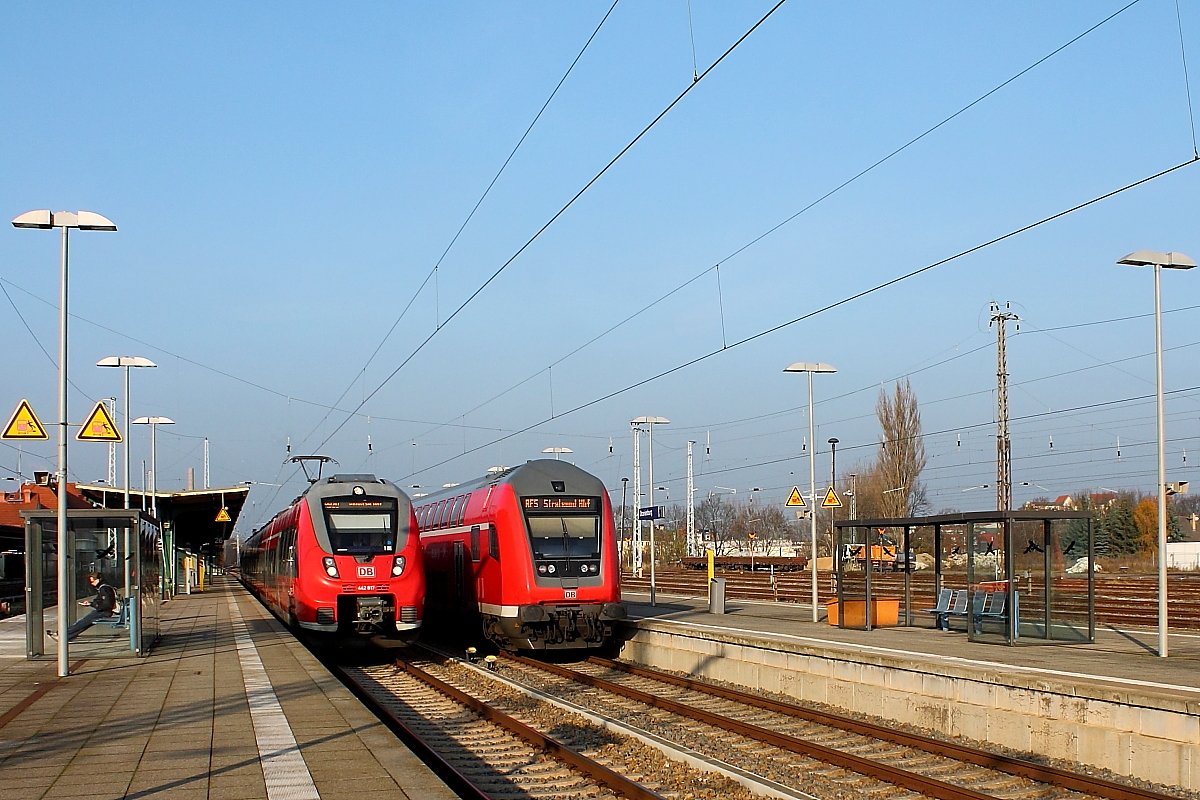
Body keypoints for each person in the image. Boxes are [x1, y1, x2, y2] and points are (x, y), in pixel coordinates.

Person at [59, 572, 118, 641]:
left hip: (104, 612)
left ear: (98, 579)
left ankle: (63, 634)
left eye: (93, 581)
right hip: (103, 611)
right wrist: (90, 603)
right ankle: (67, 636)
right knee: (84, 623)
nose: (92, 583)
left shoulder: (104, 589)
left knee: (82, 622)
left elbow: (107, 604)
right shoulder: (103, 588)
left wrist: (94, 605)